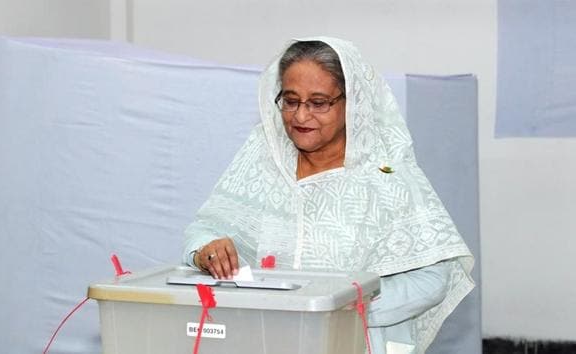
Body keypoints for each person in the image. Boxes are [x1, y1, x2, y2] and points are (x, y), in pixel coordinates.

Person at [183, 37, 474, 354]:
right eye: (291, 100)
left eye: (318, 103)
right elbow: (204, 230)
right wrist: (205, 251)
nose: (301, 116)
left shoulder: (383, 177)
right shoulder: (263, 161)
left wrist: (339, 308)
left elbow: (431, 279)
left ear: (352, 104)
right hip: (266, 340)